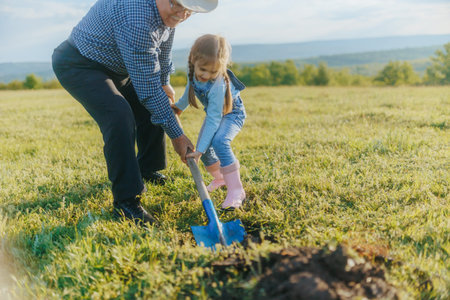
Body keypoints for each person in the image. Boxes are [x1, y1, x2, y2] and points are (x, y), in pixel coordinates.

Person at [51, 0, 218, 225]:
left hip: (119, 65)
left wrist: (164, 81)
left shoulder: (168, 13)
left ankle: (147, 169)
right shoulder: (137, 16)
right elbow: (148, 89)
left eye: (188, 10)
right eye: (175, 4)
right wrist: (177, 136)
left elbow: (164, 42)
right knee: (119, 114)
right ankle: (126, 202)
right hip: (81, 64)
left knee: (153, 105)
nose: (180, 14)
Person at [172, 34, 247, 210]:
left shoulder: (218, 84)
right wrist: (179, 107)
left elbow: (213, 119)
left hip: (232, 114)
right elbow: (188, 93)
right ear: (193, 60)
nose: (207, 75)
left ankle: (237, 190)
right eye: (203, 69)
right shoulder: (193, 73)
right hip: (216, 114)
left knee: (219, 141)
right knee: (205, 150)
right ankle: (220, 178)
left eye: (213, 72)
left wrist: (198, 150)